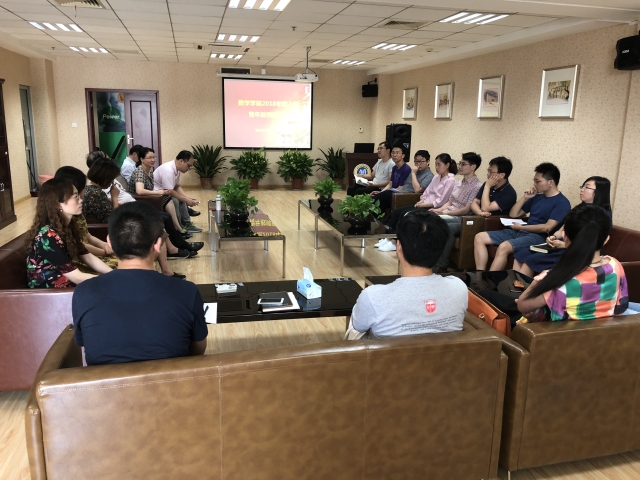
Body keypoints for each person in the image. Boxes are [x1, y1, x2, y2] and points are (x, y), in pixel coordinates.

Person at [72, 201, 208, 365]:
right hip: (170, 380)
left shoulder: (84, 292)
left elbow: (86, 344)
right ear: (158, 244)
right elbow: (198, 349)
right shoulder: (186, 291)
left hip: (104, 382)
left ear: (110, 242)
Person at [345, 210, 467, 339]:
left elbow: (358, 327)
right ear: (442, 249)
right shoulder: (459, 288)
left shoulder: (373, 296)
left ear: (399, 247)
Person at [516, 204, 628, 322]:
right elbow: (621, 304)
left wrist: (540, 279)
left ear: (564, 237)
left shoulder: (558, 278)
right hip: (607, 332)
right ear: (606, 240)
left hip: (560, 333)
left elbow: (522, 305)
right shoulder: (615, 265)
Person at [84, 158, 187, 277]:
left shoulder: (91, 190)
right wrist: (115, 197)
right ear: (104, 177)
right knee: (157, 229)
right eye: (111, 178)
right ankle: (166, 270)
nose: (112, 182)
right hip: (114, 229)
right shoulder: (96, 194)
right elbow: (113, 218)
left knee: (158, 221)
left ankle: (169, 260)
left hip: (115, 224)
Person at [474, 162, 571, 271]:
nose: (534, 184)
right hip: (522, 231)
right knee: (479, 237)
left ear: (551, 182)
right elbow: (513, 214)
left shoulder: (562, 202)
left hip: (539, 236)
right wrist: (525, 198)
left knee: (504, 246)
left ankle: (490, 278)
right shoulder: (537, 197)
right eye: (534, 181)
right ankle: (479, 274)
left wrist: (521, 227)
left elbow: (547, 227)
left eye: (537, 181)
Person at [514, 176, 612, 277]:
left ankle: (521, 286)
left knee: (531, 260)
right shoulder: (579, 208)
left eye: (587, 187)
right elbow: (562, 230)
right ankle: (514, 286)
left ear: (599, 192)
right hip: (564, 245)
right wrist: (553, 237)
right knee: (521, 254)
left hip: (577, 252)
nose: (582, 190)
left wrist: (564, 245)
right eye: (582, 186)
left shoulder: (603, 215)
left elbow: (590, 243)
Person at [26, 178, 112, 288]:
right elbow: (77, 277)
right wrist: (113, 280)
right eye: (75, 197)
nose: (81, 200)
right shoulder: (47, 236)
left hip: (67, 280)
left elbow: (87, 256)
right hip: (51, 290)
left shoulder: (66, 226)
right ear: (57, 204)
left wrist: (114, 274)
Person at [129, 147, 203, 255]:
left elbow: (175, 187)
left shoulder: (149, 171)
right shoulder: (140, 171)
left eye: (154, 157)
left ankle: (180, 235)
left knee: (169, 210)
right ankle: (179, 237)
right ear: (142, 159)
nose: (153, 160)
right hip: (140, 203)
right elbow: (139, 191)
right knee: (169, 207)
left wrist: (187, 198)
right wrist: (159, 193)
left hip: (149, 200)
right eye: (149, 158)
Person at [377, 153, 457, 251]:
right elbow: (426, 192)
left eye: (439, 165)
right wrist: (421, 201)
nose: (436, 167)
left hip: (433, 207)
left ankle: (395, 242)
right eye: (436, 164)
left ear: (447, 165)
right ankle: (389, 237)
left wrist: (424, 204)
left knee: (405, 214)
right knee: (397, 212)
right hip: (424, 204)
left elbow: (442, 200)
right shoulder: (436, 177)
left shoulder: (450, 180)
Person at [430, 152, 484, 269]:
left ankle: (440, 264)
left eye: (463, 164)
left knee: (437, 222)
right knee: (428, 217)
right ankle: (428, 257)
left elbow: (466, 210)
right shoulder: (459, 183)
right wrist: (439, 210)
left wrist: (445, 213)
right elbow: (449, 202)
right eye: (459, 163)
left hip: (461, 218)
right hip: (448, 212)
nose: (459, 166)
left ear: (473, 167)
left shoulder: (477, 186)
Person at [370, 149, 434, 218]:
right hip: (400, 193)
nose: (418, 164)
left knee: (384, 196)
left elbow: (417, 190)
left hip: (408, 196)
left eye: (421, 161)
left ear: (428, 162)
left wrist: (413, 173)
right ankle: (375, 219)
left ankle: (369, 213)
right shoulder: (414, 171)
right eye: (416, 161)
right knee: (380, 198)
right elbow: (403, 186)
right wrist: (381, 192)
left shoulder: (429, 175)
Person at [153, 150, 202, 233]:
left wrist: (187, 198)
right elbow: (170, 191)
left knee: (182, 199)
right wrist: (186, 200)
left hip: (166, 192)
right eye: (189, 166)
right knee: (175, 200)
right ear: (181, 161)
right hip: (158, 195)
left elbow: (176, 187)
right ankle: (179, 228)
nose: (189, 169)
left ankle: (187, 224)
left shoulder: (177, 169)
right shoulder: (168, 170)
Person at [370, 144, 412, 211]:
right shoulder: (394, 167)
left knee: (378, 198)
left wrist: (384, 193)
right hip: (391, 192)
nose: (394, 155)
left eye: (397, 153)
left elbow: (400, 188)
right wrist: (381, 192)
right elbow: (390, 184)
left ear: (403, 156)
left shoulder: (406, 169)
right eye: (393, 152)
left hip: (398, 194)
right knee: (375, 196)